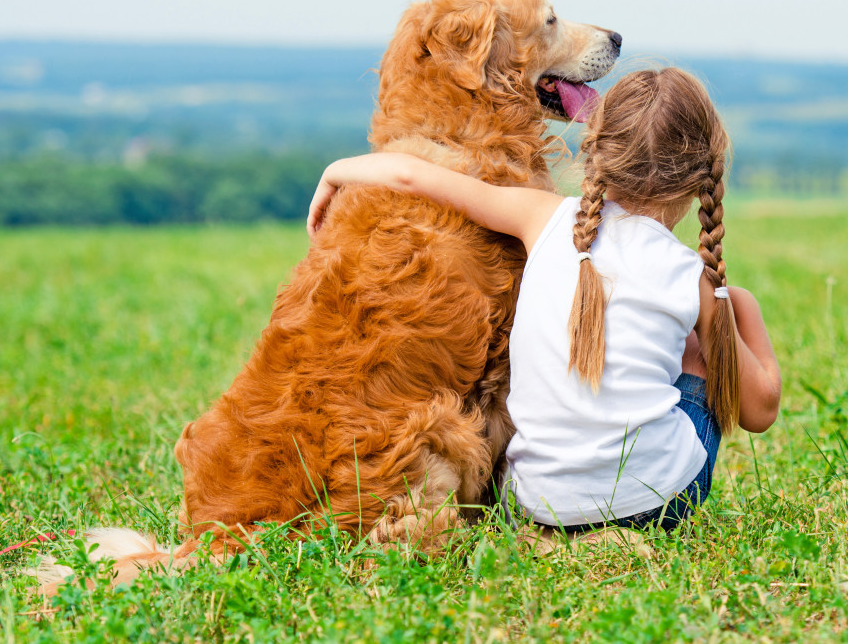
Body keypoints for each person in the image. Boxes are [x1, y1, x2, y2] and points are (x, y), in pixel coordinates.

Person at [306, 68, 781, 532]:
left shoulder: (540, 217)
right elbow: (759, 411)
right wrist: (738, 306)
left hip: (532, 503)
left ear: (594, 151)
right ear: (703, 174)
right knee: (699, 347)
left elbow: (410, 175)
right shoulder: (689, 276)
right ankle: (630, 490)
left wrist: (334, 172)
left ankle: (563, 527)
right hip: (655, 506)